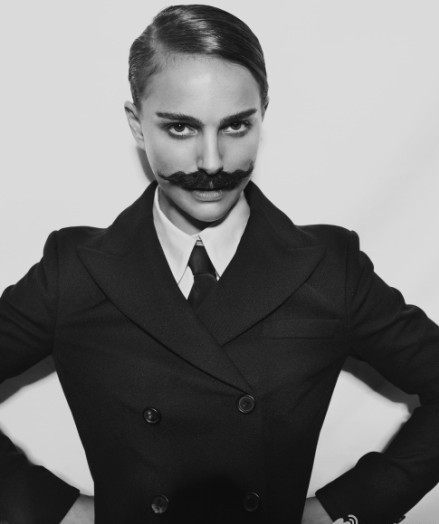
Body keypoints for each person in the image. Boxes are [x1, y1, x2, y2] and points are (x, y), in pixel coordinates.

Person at [1, 4, 438, 524]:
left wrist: (347, 509)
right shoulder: (74, 270)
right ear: (137, 125)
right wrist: (50, 510)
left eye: (235, 126)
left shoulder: (329, 268)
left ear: (262, 118)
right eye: (180, 128)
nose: (212, 161)